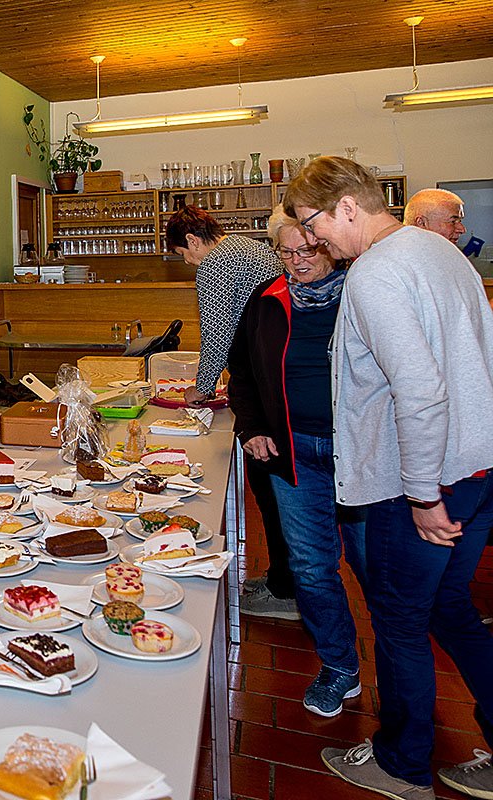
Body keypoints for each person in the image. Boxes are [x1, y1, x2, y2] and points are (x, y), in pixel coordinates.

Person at [285, 157, 493, 800]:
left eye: (313, 223)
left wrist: (423, 492)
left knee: (399, 620)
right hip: (478, 464)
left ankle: (401, 765)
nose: (314, 239)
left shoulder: (375, 272)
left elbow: (419, 391)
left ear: (348, 206)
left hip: (427, 478)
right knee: (450, 609)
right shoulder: (439, 251)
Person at [228, 208, 366, 718]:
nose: (296, 261)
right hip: (295, 453)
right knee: (310, 567)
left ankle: (403, 682)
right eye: (285, 252)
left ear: (329, 244)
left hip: (363, 455)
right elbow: (242, 370)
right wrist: (252, 426)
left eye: (306, 250)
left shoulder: (362, 295)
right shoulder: (265, 300)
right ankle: (340, 666)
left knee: (375, 571)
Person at [165, 205, 299, 621]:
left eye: (182, 253)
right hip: (279, 374)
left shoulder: (215, 264)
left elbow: (216, 334)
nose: (187, 262)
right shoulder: (247, 246)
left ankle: (287, 591)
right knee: (279, 491)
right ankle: (281, 578)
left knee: (271, 490)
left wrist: (201, 389)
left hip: (262, 382)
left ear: (192, 240)